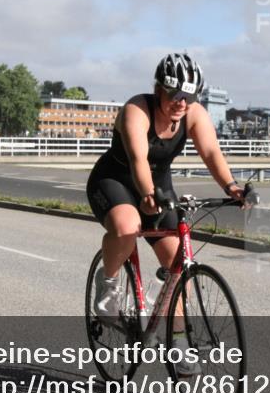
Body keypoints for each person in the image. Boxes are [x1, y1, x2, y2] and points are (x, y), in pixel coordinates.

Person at [86, 53, 244, 371]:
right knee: (128, 225)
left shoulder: (194, 114)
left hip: (158, 188)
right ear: (159, 89)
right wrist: (146, 195)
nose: (182, 103)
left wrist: (231, 187)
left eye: (190, 96)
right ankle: (108, 289)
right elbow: (138, 160)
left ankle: (180, 343)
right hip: (115, 180)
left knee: (178, 266)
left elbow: (211, 151)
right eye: (175, 95)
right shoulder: (136, 110)